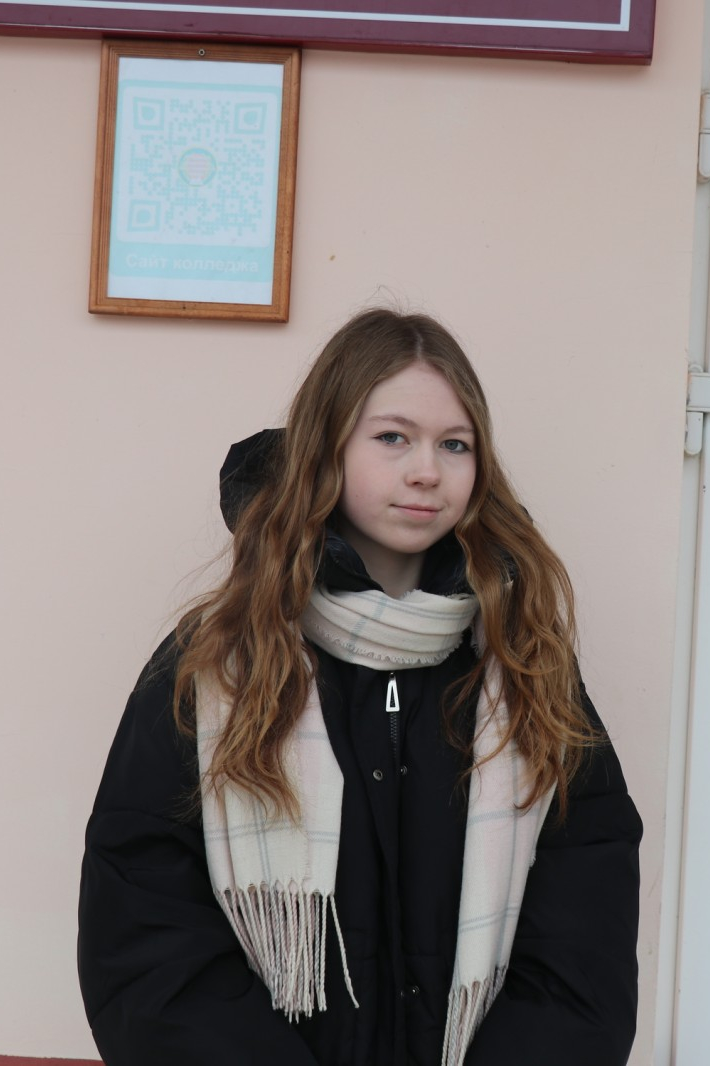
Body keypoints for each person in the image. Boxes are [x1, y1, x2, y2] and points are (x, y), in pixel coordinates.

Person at [77, 307, 642, 1066]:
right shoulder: (216, 664)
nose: (426, 471)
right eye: (392, 438)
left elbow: (584, 927)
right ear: (326, 449)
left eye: (455, 444)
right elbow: (145, 924)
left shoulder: (526, 664)